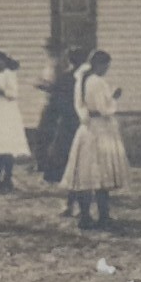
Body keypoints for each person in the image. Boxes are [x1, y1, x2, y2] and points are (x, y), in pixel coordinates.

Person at [60, 50, 130, 230]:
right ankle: (103, 215)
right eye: (106, 65)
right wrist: (114, 98)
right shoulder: (97, 82)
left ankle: (85, 216)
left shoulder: (81, 80)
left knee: (87, 174)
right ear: (100, 64)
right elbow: (104, 109)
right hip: (100, 128)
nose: (106, 69)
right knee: (101, 173)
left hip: (86, 128)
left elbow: (82, 106)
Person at [37, 44, 88, 216]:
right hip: (80, 124)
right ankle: (77, 205)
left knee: (70, 165)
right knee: (79, 166)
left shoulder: (66, 78)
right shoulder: (86, 78)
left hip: (68, 125)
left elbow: (57, 103)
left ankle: (71, 205)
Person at [0, 51, 30, 191]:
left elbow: (13, 94)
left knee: (7, 145)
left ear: (4, 60)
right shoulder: (0, 75)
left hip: (8, 111)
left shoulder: (9, 74)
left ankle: (7, 178)